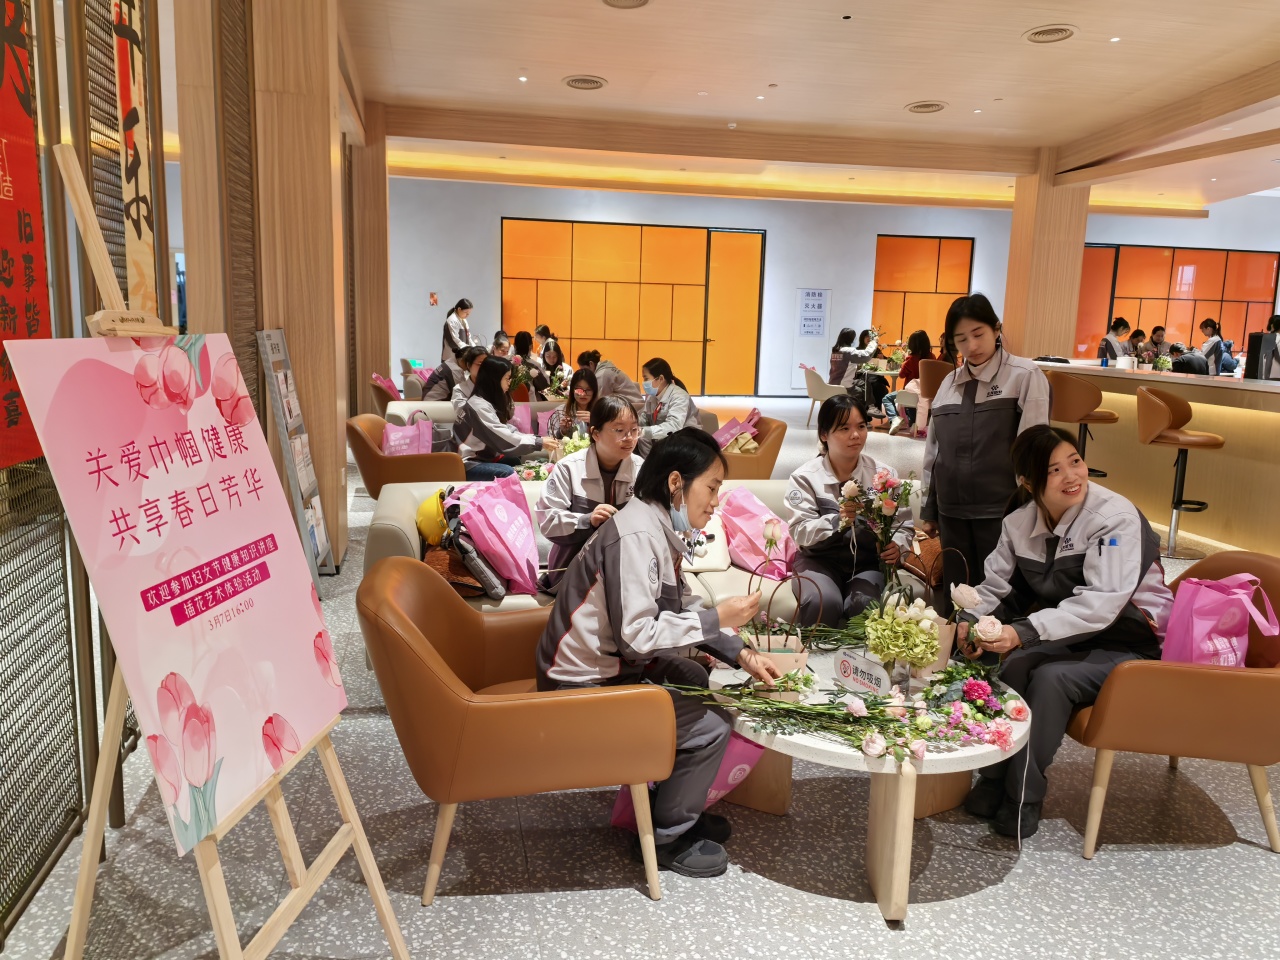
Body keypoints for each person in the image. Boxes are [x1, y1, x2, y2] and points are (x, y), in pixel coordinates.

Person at [536, 428, 779, 877]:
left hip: (609, 668)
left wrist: (741, 652)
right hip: (579, 686)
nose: (715, 502)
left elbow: (680, 605)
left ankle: (669, 803)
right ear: (675, 483)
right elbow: (636, 636)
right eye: (712, 488)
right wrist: (719, 617)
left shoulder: (652, 525)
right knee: (711, 727)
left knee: (693, 677)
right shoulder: (636, 535)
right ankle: (667, 837)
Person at [958, 425, 1173, 838]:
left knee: (1051, 679)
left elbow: (1102, 604)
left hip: (1134, 642)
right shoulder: (1019, 523)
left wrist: (1023, 631)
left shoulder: (1114, 518)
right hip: (1076, 636)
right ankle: (994, 777)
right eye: (1054, 470)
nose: (1071, 476)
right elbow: (995, 588)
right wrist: (967, 622)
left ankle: (1024, 795)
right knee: (1014, 667)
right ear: (1028, 482)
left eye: (1075, 461)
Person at [921, 293, 1051, 606]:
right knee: (957, 596)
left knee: (999, 598)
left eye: (978, 334)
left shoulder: (1024, 376)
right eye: (961, 339)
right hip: (952, 511)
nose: (972, 346)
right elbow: (933, 454)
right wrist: (930, 508)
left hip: (1001, 511)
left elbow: (1034, 450)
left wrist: (1030, 510)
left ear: (996, 329)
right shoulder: (948, 383)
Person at [785, 396, 914, 626]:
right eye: (844, 428)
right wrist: (837, 520)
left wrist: (898, 546)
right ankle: (813, 650)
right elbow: (800, 531)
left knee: (865, 604)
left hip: (867, 563)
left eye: (861, 426)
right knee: (822, 602)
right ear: (824, 434)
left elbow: (903, 526)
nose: (855, 435)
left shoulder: (884, 476)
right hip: (818, 562)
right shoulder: (805, 478)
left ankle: (861, 652)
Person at [535, 396, 644, 592]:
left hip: (624, 572)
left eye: (634, 430)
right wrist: (587, 520)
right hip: (573, 573)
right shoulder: (569, 468)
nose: (629, 437)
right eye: (619, 430)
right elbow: (547, 521)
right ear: (595, 433)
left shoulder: (641, 469)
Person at [452, 356, 548, 480]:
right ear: (495, 380)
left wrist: (537, 439)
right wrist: (539, 442)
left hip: (481, 458)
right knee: (507, 472)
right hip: (468, 463)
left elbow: (505, 429)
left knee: (514, 460)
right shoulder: (479, 406)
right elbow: (502, 436)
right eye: (507, 378)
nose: (509, 382)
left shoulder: (483, 401)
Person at [639, 358, 703, 455]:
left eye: (646, 379)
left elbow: (674, 426)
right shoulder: (652, 397)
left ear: (660, 379)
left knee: (644, 433)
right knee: (640, 436)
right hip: (665, 440)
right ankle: (648, 462)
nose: (644, 383)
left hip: (685, 441)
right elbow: (643, 419)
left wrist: (644, 431)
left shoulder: (679, 396)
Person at [884, 329, 933, 435]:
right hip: (926, 394)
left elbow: (901, 375)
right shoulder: (932, 357)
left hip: (909, 394)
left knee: (887, 398)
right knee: (913, 416)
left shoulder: (910, 360)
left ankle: (894, 418)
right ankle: (914, 424)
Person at [579, 349, 644, 412]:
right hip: (632, 405)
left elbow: (600, 401)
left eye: (584, 369)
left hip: (631, 408)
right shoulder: (606, 370)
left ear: (591, 364)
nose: (585, 373)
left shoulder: (602, 374)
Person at [546, 368, 597, 439]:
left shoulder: (601, 411)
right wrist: (562, 432)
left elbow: (608, 438)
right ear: (572, 390)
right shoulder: (561, 411)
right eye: (579, 389)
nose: (583, 394)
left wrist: (595, 422)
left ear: (594, 391)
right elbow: (550, 437)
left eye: (588, 390)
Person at [447, 346, 489, 410]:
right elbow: (464, 412)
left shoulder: (491, 387)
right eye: (480, 364)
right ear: (469, 365)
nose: (484, 368)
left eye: (486, 364)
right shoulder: (459, 390)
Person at [442, 298, 482, 363]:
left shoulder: (463, 320)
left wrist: (475, 348)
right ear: (459, 309)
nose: (467, 315)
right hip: (452, 357)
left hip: (462, 355)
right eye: (466, 312)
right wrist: (469, 349)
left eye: (469, 313)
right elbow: (454, 341)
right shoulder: (452, 320)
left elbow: (468, 338)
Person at [512, 331, 549, 397]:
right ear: (531, 346)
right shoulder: (534, 365)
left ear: (514, 345)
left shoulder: (506, 361)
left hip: (508, 400)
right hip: (530, 400)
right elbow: (545, 385)